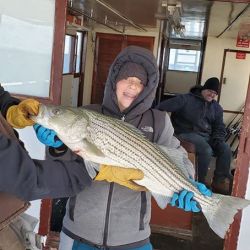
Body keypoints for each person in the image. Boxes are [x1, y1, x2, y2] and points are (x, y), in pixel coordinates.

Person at [0, 47, 210, 250]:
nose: (132, 87)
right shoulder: (88, 112)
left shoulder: (159, 121)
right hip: (78, 231)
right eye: (127, 79)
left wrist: (189, 183)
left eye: (140, 82)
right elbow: (64, 166)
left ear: (148, 88)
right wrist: (57, 147)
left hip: (132, 239)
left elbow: (178, 156)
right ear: (114, 81)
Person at [158, 77, 232, 195]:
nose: (212, 94)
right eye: (210, 91)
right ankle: (199, 183)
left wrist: (218, 139)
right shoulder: (185, 99)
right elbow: (160, 107)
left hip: (206, 136)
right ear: (204, 88)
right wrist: (165, 127)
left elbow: (219, 127)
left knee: (225, 149)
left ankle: (218, 181)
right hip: (185, 133)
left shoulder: (216, 108)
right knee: (206, 150)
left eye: (215, 93)